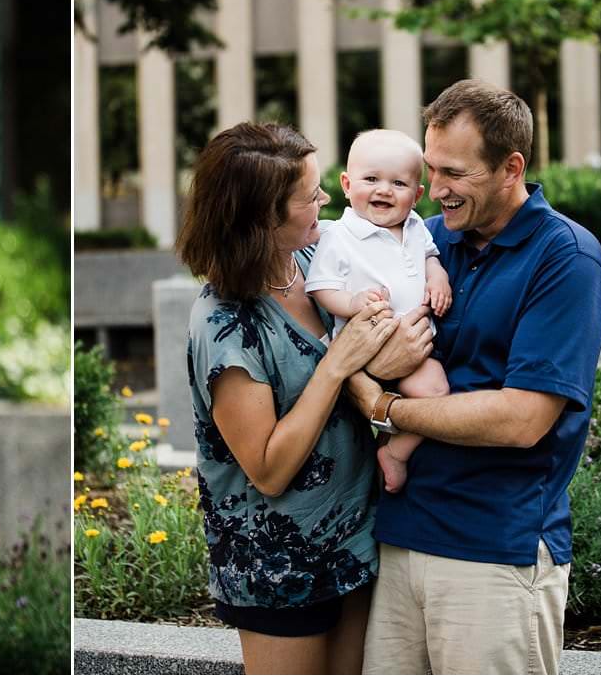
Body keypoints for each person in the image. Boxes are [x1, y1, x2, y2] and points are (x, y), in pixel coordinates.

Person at [352, 80, 601, 675]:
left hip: (496, 552)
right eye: (430, 168)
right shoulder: (426, 240)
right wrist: (374, 373)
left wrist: (384, 408)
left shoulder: (566, 259)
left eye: (454, 173)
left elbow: (522, 419)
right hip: (399, 538)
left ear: (510, 167)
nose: (433, 188)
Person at [176, 121, 433, 675]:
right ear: (266, 217)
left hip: (355, 538)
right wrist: (339, 366)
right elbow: (268, 469)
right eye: (310, 194)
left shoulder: (317, 264)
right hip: (279, 566)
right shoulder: (224, 325)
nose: (326, 200)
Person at [305, 128, 453, 493]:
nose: (384, 190)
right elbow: (321, 287)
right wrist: (352, 303)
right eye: (371, 179)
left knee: (436, 392)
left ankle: (395, 451)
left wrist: (438, 278)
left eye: (398, 183)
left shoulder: (416, 228)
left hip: (418, 347)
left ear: (417, 195)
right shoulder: (338, 236)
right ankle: (387, 449)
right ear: (346, 183)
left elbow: (430, 257)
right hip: (366, 345)